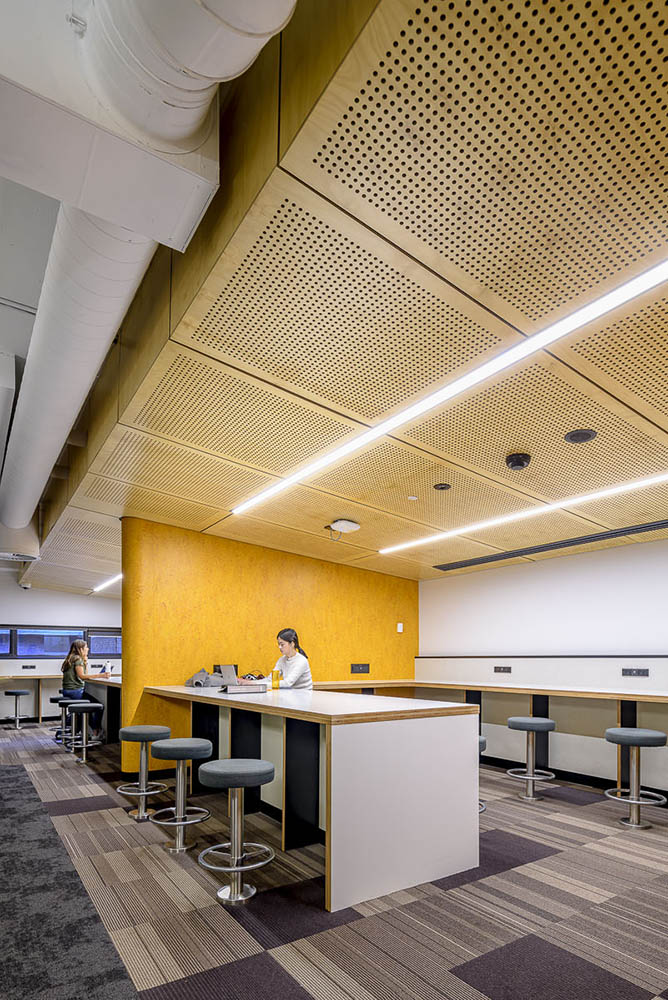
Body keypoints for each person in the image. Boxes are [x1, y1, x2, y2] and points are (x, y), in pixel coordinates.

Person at [60, 639, 109, 738]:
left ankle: (93, 732)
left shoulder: (70, 659)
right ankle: (96, 731)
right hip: (76, 692)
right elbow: (82, 676)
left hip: (67, 691)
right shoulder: (78, 659)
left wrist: (85, 661)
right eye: (86, 647)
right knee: (99, 707)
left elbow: (83, 674)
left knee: (89, 708)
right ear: (81, 649)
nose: (88, 649)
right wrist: (101, 675)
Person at [238, 628, 313, 690]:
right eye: (279, 644)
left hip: (303, 697)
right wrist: (250, 683)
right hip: (290, 695)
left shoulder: (301, 661)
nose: (279, 647)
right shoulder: (282, 660)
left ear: (292, 644)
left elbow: (287, 683)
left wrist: (252, 684)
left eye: (282, 644)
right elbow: (271, 679)